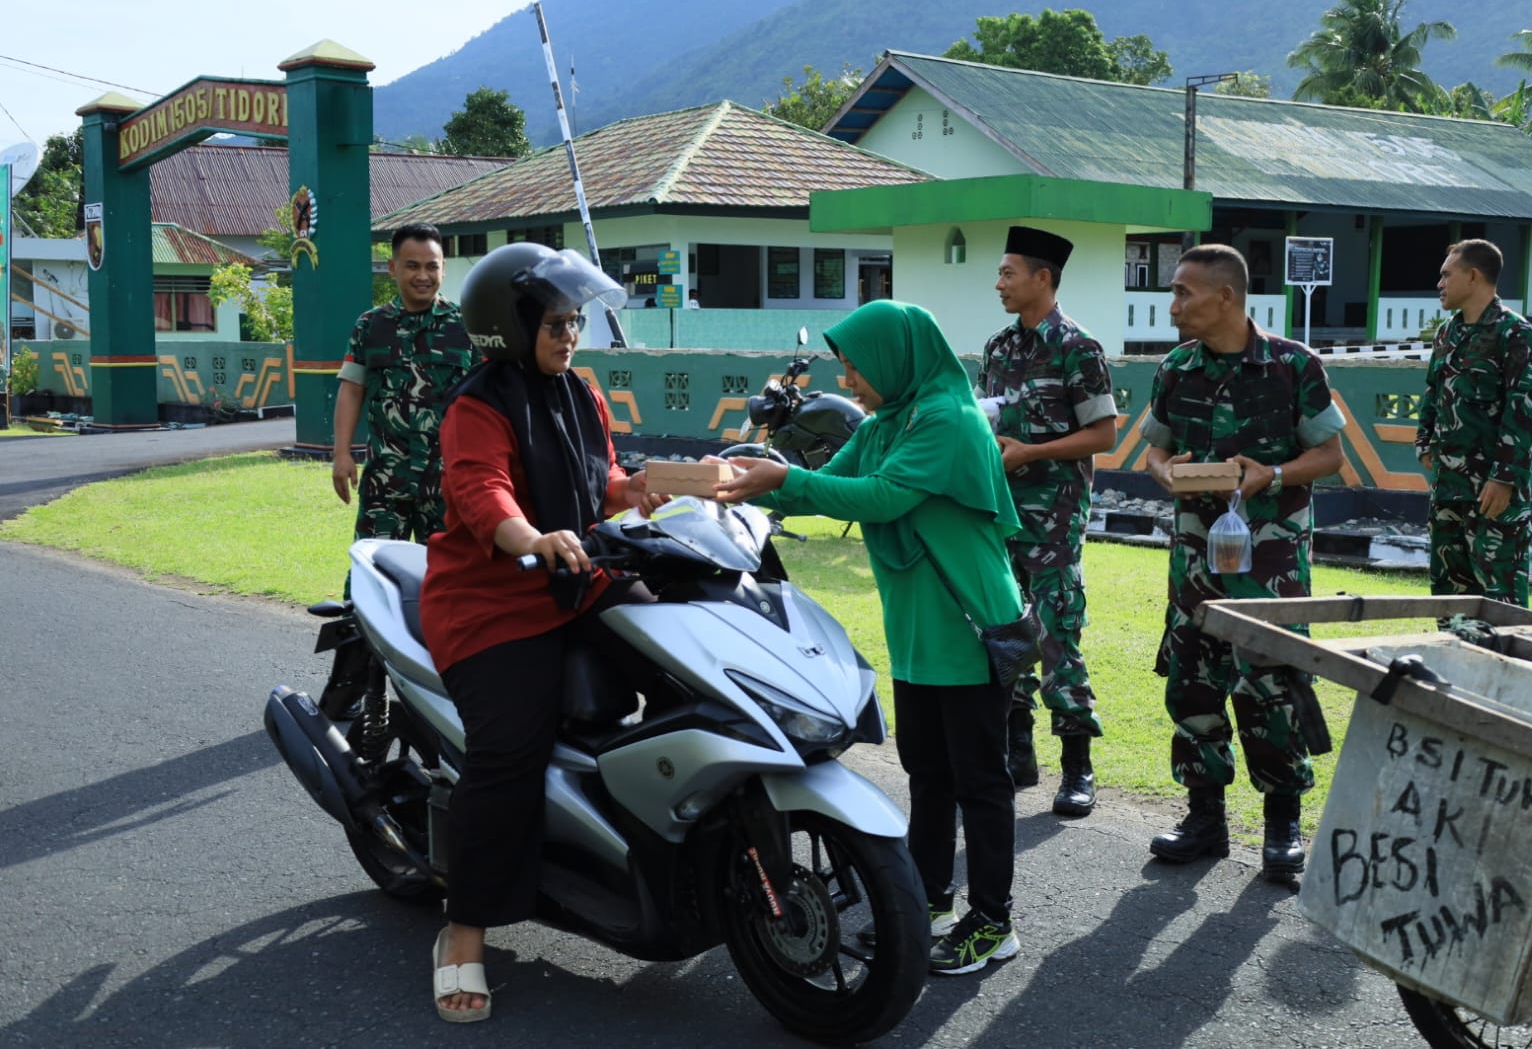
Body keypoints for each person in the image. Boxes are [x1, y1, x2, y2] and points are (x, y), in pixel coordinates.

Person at [716, 299, 1026, 976]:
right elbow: (829, 485)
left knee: (979, 782)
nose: (850, 382)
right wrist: (740, 484)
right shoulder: (891, 419)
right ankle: (932, 899)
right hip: (920, 630)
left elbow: (882, 497)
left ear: (895, 359)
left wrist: (782, 479)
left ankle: (992, 921)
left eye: (858, 368)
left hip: (968, 626)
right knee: (928, 773)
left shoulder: (945, 418)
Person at [418, 242, 665, 1022]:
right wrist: (529, 537)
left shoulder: (580, 392)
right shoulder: (478, 404)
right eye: (555, 323)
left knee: (683, 654)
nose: (569, 335)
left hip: (580, 577)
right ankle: (462, 934)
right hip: (495, 599)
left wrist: (640, 492)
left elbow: (602, 481)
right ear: (509, 326)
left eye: (576, 321)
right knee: (508, 752)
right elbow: (480, 490)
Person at [1138, 244, 1346, 880]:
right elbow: (1153, 451)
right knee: (1194, 684)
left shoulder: (1293, 366)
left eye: (1183, 292)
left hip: (1271, 564)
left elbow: (1331, 456)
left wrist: (1272, 474)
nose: (1173, 305)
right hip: (1195, 563)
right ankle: (1205, 818)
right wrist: (1167, 474)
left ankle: (1282, 824)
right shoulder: (1175, 368)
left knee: (1272, 688)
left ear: (1224, 297)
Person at [977, 225, 1117, 815]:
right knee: (1005, 629)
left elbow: (1104, 434)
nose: (999, 283)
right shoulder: (999, 348)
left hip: (1056, 515)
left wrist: (1032, 452)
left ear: (1043, 278)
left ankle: (1077, 768)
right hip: (1001, 512)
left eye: (1009, 273)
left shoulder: (1078, 348)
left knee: (1058, 630)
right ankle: (1018, 751)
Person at [331, 222, 478, 550]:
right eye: (412, 266)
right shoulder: (370, 325)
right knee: (374, 577)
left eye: (432, 266)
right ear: (393, 268)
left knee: (451, 583)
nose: (423, 276)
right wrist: (341, 453)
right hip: (386, 481)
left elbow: (489, 400)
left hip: (449, 483)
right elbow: (352, 390)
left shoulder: (467, 326)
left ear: (444, 268)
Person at [1416, 239, 1532, 607]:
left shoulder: (1516, 335)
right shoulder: (1447, 333)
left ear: (1473, 276)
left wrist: (1504, 479)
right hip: (1448, 488)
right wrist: (1424, 444)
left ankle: (1508, 665)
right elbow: (1432, 392)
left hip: (1493, 493)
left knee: (1500, 597)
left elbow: (1523, 412)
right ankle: (1454, 663)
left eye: (1446, 275)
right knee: (1449, 595)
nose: (1439, 283)